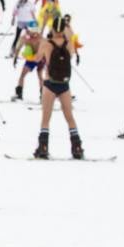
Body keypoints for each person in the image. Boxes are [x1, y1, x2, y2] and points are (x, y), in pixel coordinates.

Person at [33, 26, 83, 158]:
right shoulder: (69, 45)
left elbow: (37, 59)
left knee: (46, 118)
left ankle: (43, 147)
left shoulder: (46, 44)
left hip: (50, 83)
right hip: (64, 84)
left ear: (53, 29)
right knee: (69, 117)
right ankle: (77, 147)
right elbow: (71, 55)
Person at [13, 25, 44, 100]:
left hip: (40, 58)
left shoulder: (40, 38)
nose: (32, 34)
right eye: (29, 31)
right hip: (31, 59)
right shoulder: (24, 38)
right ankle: (19, 93)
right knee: (22, 75)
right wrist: (15, 58)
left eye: (34, 32)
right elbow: (18, 47)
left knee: (40, 75)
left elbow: (44, 50)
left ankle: (43, 94)